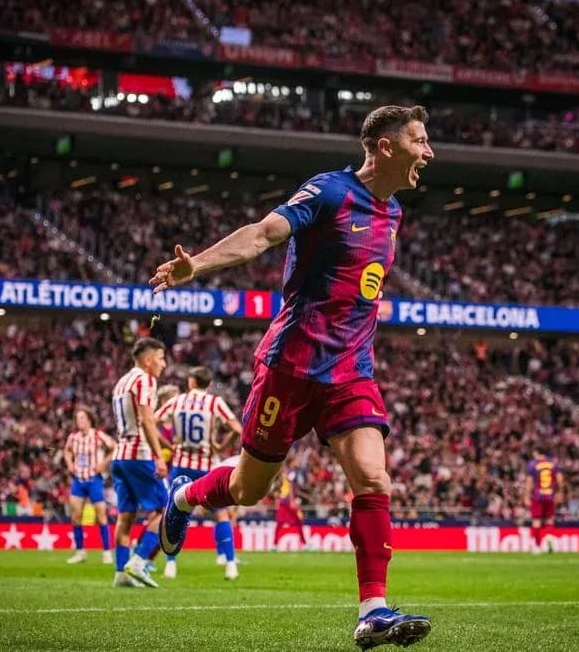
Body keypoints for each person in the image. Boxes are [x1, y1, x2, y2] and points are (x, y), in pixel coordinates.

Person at [151, 105, 435, 648]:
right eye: (420, 141)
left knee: (374, 480)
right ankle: (185, 496)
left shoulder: (394, 214)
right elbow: (263, 234)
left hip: (351, 370)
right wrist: (199, 266)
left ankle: (373, 610)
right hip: (292, 364)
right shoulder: (329, 191)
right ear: (386, 147)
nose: (429, 152)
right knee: (247, 489)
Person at [156, 366, 243, 580]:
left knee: (175, 512)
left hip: (181, 465)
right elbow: (237, 429)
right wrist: (221, 446)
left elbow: (153, 421)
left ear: (191, 382)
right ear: (209, 384)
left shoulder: (178, 401)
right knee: (220, 514)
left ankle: (170, 564)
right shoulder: (214, 402)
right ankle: (231, 565)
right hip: (206, 466)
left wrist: (168, 444)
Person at [109, 337, 170, 588]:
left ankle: (120, 573)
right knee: (166, 511)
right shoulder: (145, 379)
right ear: (147, 360)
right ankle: (139, 560)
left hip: (119, 456)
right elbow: (146, 420)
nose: (163, 365)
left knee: (126, 516)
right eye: (160, 358)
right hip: (138, 454)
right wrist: (158, 455)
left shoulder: (121, 382)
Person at [63, 406, 116, 565]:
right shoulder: (73, 437)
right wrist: (69, 463)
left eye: (82, 418)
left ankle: (106, 552)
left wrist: (104, 464)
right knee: (75, 516)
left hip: (94, 479)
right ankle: (80, 552)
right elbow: (67, 451)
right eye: (78, 418)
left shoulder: (98, 435)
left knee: (101, 516)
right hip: (78, 479)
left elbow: (114, 447)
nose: (80, 421)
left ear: (89, 420)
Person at [525, 447, 564, 554]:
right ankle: (549, 540)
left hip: (538, 496)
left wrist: (526, 495)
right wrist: (560, 492)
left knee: (536, 521)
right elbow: (560, 479)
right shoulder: (554, 463)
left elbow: (529, 482)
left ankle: (537, 547)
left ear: (536, 452)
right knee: (549, 520)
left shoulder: (533, 464)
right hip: (550, 495)